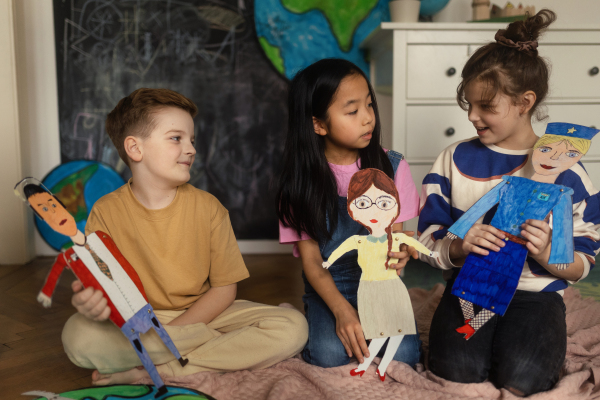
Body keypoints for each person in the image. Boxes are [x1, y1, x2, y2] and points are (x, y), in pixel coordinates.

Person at [60, 88, 308, 385]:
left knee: (293, 327)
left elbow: (224, 291)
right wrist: (92, 303)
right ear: (135, 148)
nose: (191, 149)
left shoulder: (209, 208)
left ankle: (162, 371)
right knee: (77, 335)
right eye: (176, 138)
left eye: (192, 140)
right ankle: (212, 349)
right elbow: (106, 287)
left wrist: (172, 335)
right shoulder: (105, 212)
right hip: (144, 321)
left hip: (207, 314)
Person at [417, 10, 600, 396]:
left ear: (524, 102)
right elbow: (427, 238)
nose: (472, 116)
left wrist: (552, 253)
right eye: (468, 104)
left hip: (536, 298)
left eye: (486, 106)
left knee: (525, 378)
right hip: (471, 287)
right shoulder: (453, 160)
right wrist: (459, 247)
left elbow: (585, 256)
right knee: (456, 371)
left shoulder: (566, 171)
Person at [276, 58, 423, 370]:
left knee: (405, 357)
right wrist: (341, 312)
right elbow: (313, 264)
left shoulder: (393, 167)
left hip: (380, 284)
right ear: (318, 123)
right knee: (328, 356)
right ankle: (312, 316)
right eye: (353, 110)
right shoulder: (299, 183)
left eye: (369, 105)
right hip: (329, 284)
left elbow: (396, 238)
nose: (368, 118)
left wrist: (402, 250)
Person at [14, 178, 187, 396]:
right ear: (43, 220)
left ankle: (170, 363)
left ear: (62, 204)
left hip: (140, 299)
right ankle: (169, 367)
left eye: (53, 205)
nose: (54, 214)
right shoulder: (71, 255)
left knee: (241, 331)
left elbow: (124, 264)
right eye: (45, 211)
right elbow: (63, 273)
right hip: (119, 311)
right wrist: (49, 293)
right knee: (79, 337)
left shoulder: (100, 237)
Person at [323, 169, 437, 381]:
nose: (375, 212)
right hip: (367, 287)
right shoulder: (359, 240)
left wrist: (431, 252)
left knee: (398, 334)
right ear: (353, 209)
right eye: (364, 204)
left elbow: (411, 242)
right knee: (378, 331)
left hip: (392, 286)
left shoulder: (393, 237)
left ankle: (381, 367)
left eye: (384, 204)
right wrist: (328, 262)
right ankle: (369, 363)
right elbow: (341, 250)